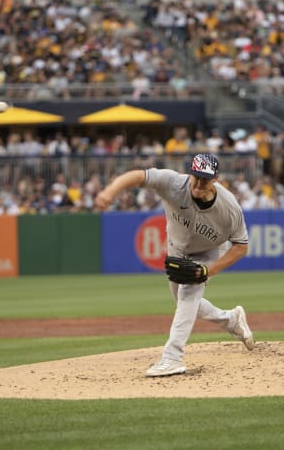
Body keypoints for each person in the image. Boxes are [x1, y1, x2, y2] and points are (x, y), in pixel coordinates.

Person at [94, 153, 254, 377]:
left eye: (205, 179)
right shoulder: (174, 183)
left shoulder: (229, 208)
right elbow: (138, 176)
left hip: (209, 251)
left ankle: (172, 358)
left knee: (189, 295)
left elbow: (241, 246)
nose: (198, 183)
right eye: (196, 176)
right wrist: (109, 191)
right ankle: (231, 319)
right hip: (176, 249)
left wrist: (208, 271)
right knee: (184, 302)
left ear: (216, 179)